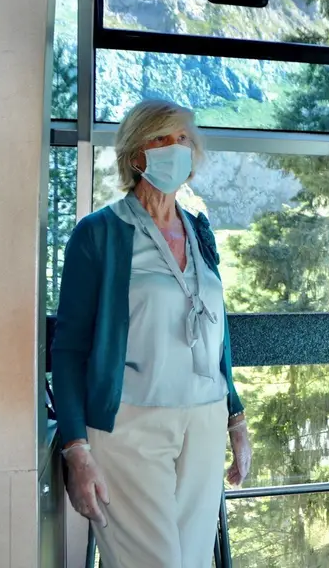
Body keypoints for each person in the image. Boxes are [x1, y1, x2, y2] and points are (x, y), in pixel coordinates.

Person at [52, 99, 253, 568]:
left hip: (202, 424)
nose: (175, 148)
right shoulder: (98, 234)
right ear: (136, 154)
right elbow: (68, 350)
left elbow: (215, 332)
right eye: (161, 138)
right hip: (129, 427)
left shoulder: (200, 231)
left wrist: (236, 418)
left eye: (183, 139)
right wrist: (76, 449)